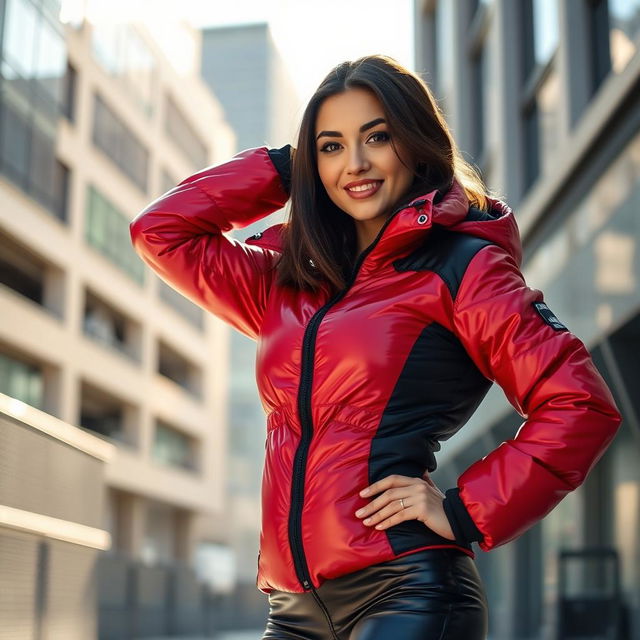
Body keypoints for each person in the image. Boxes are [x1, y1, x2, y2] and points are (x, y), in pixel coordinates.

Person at [130, 55, 622, 639]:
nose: (355, 164)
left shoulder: (464, 268)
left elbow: (580, 405)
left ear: (414, 144)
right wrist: (292, 165)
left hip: (406, 592)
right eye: (332, 146)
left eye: (377, 137)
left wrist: (462, 509)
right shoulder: (287, 282)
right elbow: (159, 231)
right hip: (293, 609)